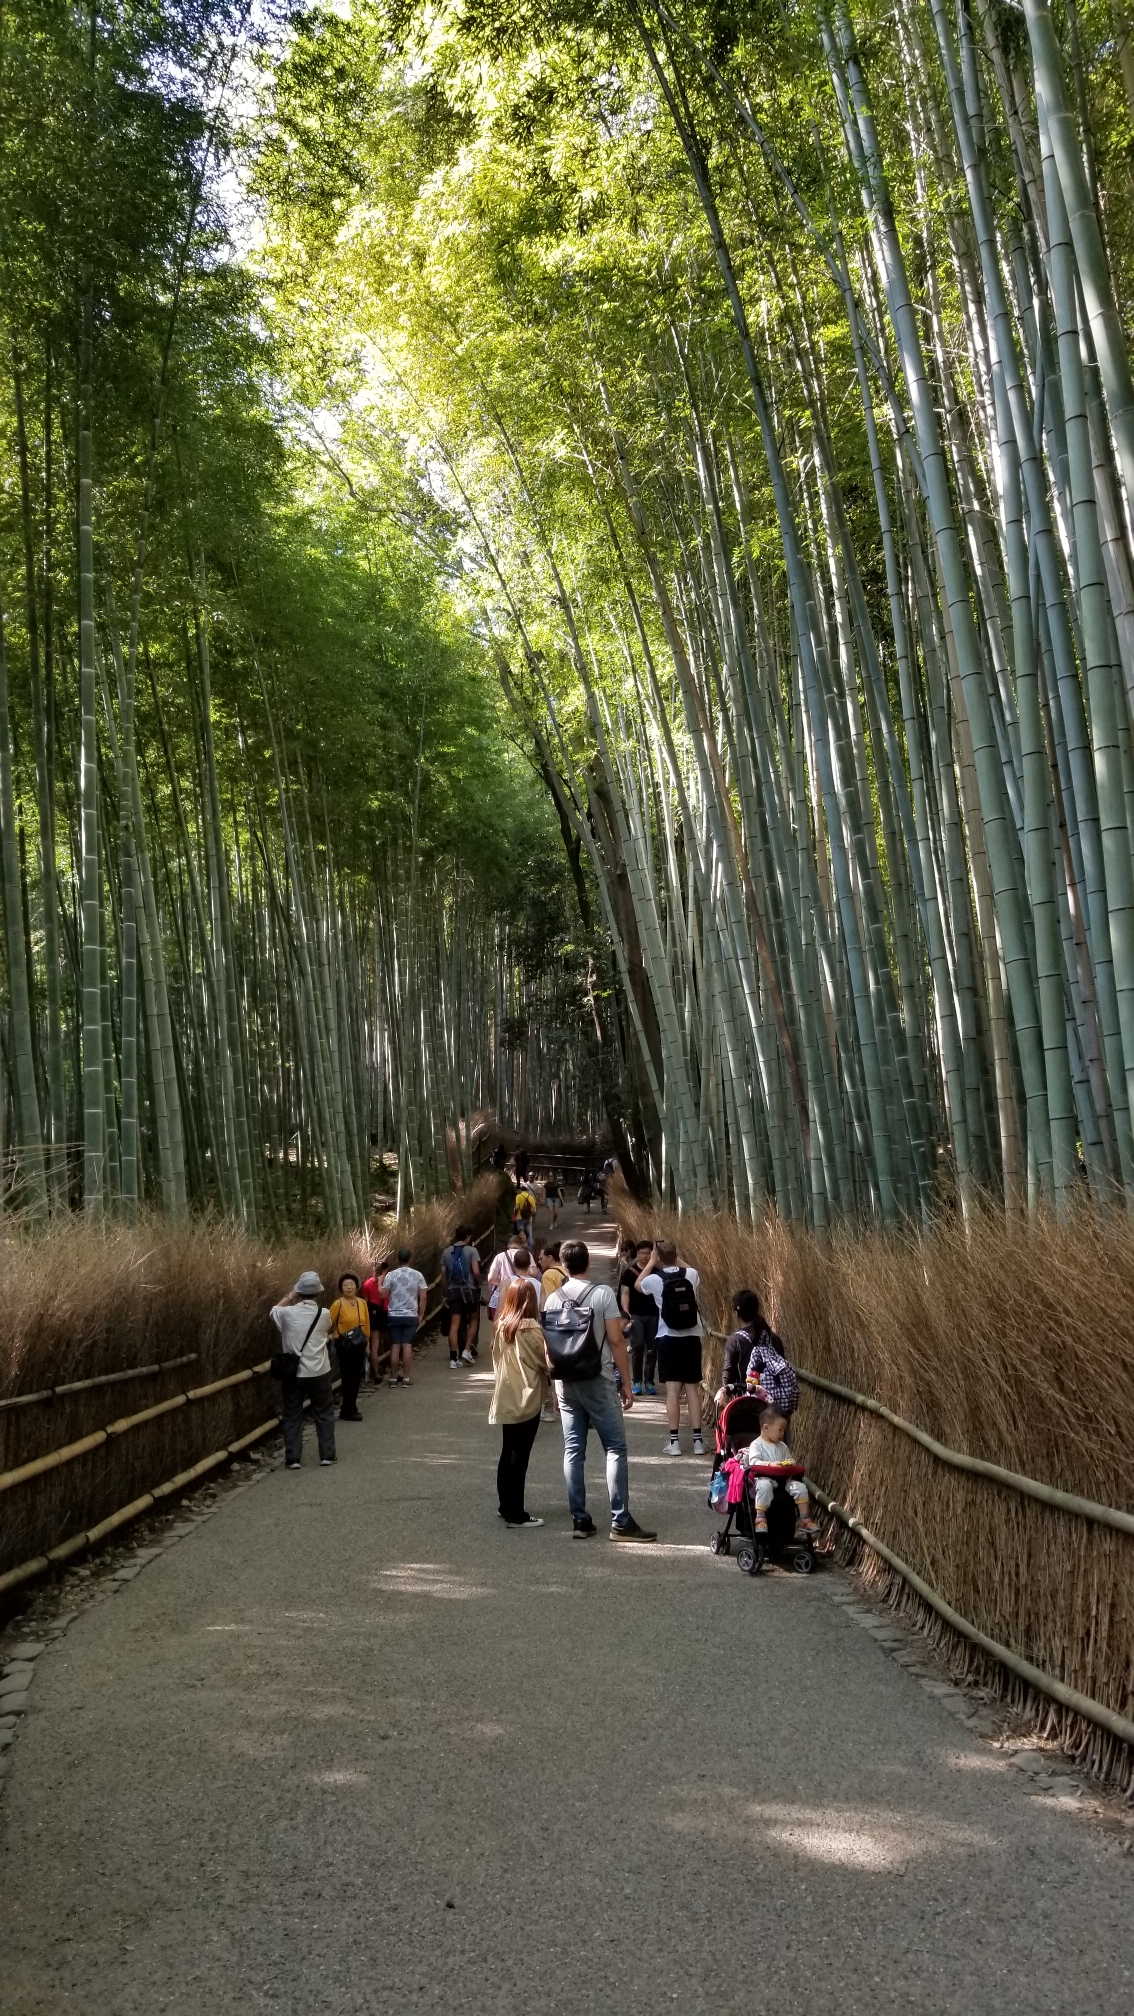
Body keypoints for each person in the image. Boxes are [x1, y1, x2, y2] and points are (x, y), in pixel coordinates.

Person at [542, 1239, 656, 1542]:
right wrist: (627, 1382)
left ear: (563, 1265)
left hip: (566, 1382)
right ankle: (620, 1521)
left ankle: (580, 1519)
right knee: (615, 1448)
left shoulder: (552, 1299)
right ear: (588, 1262)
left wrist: (554, 1388)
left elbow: (548, 1348)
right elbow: (617, 1341)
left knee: (573, 1451)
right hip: (598, 1378)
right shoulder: (602, 1294)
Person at [636, 1238, 704, 1458]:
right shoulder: (690, 1275)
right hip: (692, 1336)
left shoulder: (654, 1279)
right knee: (693, 1389)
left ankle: (674, 1442)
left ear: (657, 1257)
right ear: (676, 1255)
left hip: (668, 1337)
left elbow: (638, 1285)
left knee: (673, 1390)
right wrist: (673, 1256)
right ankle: (698, 1442)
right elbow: (690, 1268)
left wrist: (652, 1261)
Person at [489, 1278, 549, 1527]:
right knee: (520, 1456)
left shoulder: (503, 1325)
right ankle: (517, 1513)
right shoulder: (532, 1329)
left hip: (506, 1391)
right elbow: (543, 1362)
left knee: (508, 1450)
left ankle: (505, 1505)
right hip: (527, 1393)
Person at [271, 1270, 335, 1469]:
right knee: (323, 1412)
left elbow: (273, 1311)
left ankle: (293, 1459)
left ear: (299, 1291)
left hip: (294, 1373)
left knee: (292, 1413)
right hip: (320, 1370)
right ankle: (327, 1455)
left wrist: (291, 1295)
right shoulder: (324, 1314)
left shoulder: (287, 1313)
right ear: (318, 1292)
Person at [717, 1289, 800, 1417]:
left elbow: (728, 1377)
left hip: (748, 1405)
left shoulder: (735, 1341)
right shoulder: (773, 1338)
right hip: (776, 1407)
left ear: (736, 1313)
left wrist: (728, 1393)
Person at [744, 1405, 817, 1537]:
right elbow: (754, 1462)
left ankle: (804, 1518)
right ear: (766, 1428)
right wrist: (770, 1464)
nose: (783, 1434)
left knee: (800, 1487)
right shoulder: (756, 1445)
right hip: (765, 1478)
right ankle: (760, 1517)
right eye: (780, 1430)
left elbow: (789, 1459)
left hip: (784, 1480)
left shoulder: (782, 1446)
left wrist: (790, 1463)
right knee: (764, 1486)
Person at [619, 1238, 658, 1396]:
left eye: (648, 1253)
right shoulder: (630, 1271)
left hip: (654, 1313)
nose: (644, 1256)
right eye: (641, 1253)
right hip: (636, 1314)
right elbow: (625, 1294)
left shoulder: (656, 1271)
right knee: (637, 1345)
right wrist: (626, 1312)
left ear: (652, 1254)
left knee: (652, 1347)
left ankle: (649, 1380)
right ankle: (636, 1381)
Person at [329, 1272, 370, 1421]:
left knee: (356, 1376)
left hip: (359, 1343)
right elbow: (328, 1322)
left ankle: (348, 1408)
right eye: (345, 1285)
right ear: (341, 1288)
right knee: (347, 1376)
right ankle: (350, 1409)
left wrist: (367, 1343)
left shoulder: (362, 1303)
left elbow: (366, 1324)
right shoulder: (338, 1304)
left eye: (351, 1284)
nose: (349, 1287)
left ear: (356, 1286)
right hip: (344, 1344)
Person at [383, 1245, 427, 1385]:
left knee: (395, 1345)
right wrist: (420, 1314)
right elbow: (423, 1297)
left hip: (394, 1314)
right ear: (410, 1259)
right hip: (410, 1314)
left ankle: (393, 1378)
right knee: (407, 1345)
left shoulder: (391, 1275)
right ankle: (406, 1378)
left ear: (398, 1259)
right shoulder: (417, 1275)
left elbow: (383, 1295)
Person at [442, 1224, 482, 1368]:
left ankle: (453, 1358)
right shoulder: (472, 1250)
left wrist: (445, 1291)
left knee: (455, 1324)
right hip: (469, 1290)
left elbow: (443, 1274)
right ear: (467, 1237)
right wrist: (478, 1282)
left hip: (454, 1291)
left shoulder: (447, 1252)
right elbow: (476, 1272)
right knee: (473, 1319)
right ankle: (466, 1350)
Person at [362, 1257, 390, 1385]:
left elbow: (365, 1303)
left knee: (374, 1346)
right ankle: (391, 1370)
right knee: (394, 1342)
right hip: (388, 1313)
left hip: (373, 1315)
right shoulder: (389, 1281)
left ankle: (377, 1374)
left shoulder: (367, 1283)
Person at [486, 1234, 523, 1322]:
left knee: (500, 1325)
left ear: (509, 1245)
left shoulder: (499, 1257)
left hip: (501, 1296)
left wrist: (502, 1283)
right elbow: (533, 1273)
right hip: (519, 1295)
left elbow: (491, 1278)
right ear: (521, 1245)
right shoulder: (525, 1256)